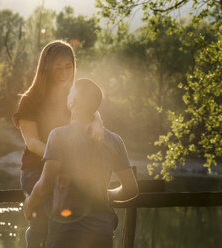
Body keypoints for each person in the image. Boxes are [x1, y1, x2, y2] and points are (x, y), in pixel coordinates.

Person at [23, 78, 139, 248]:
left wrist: (29, 203)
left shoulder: (59, 136)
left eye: (70, 92)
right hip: (102, 234)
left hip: (66, 233)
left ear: (73, 101)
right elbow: (131, 189)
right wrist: (108, 194)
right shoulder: (115, 140)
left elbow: (45, 185)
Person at [13, 41, 104, 248]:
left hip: (70, 167)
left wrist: (98, 123)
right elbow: (32, 142)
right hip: (36, 167)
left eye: (68, 67)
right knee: (42, 218)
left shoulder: (74, 95)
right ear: (46, 67)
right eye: (58, 67)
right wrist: (59, 158)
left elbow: (92, 110)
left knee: (71, 221)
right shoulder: (30, 99)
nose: (64, 73)